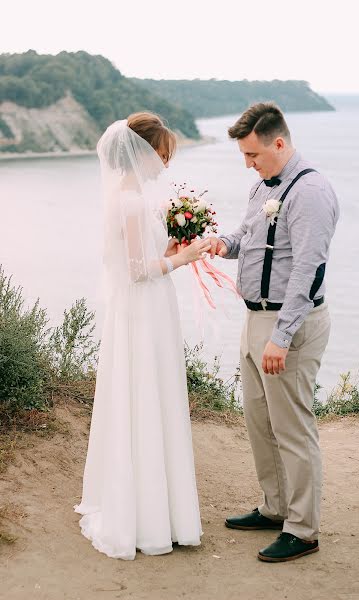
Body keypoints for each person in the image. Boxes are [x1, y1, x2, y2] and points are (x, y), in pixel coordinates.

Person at [208, 102, 339, 562]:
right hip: (255, 317)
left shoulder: (312, 191)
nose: (248, 163)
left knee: (292, 428)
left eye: (253, 154)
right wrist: (222, 244)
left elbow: (307, 270)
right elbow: (248, 236)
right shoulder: (262, 186)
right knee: (259, 422)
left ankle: (303, 530)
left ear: (279, 143)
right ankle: (276, 507)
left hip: (290, 323)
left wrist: (281, 337)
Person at [74, 112, 209, 560]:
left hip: (143, 309)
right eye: (162, 154)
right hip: (143, 310)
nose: (164, 163)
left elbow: (139, 259)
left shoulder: (128, 197)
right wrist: (184, 257)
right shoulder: (130, 202)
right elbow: (135, 273)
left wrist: (167, 251)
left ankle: (154, 510)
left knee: (144, 398)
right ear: (144, 151)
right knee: (146, 398)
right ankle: (149, 517)